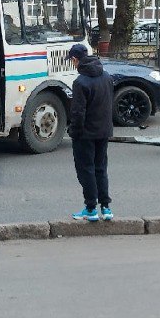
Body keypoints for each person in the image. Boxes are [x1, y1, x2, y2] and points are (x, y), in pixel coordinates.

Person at [66, 42, 115, 221]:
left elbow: (78, 112)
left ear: (75, 59)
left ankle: (90, 208)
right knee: (101, 168)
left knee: (86, 170)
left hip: (85, 134)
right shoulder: (107, 76)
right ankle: (106, 208)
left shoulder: (80, 82)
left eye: (72, 61)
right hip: (104, 131)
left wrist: (74, 131)